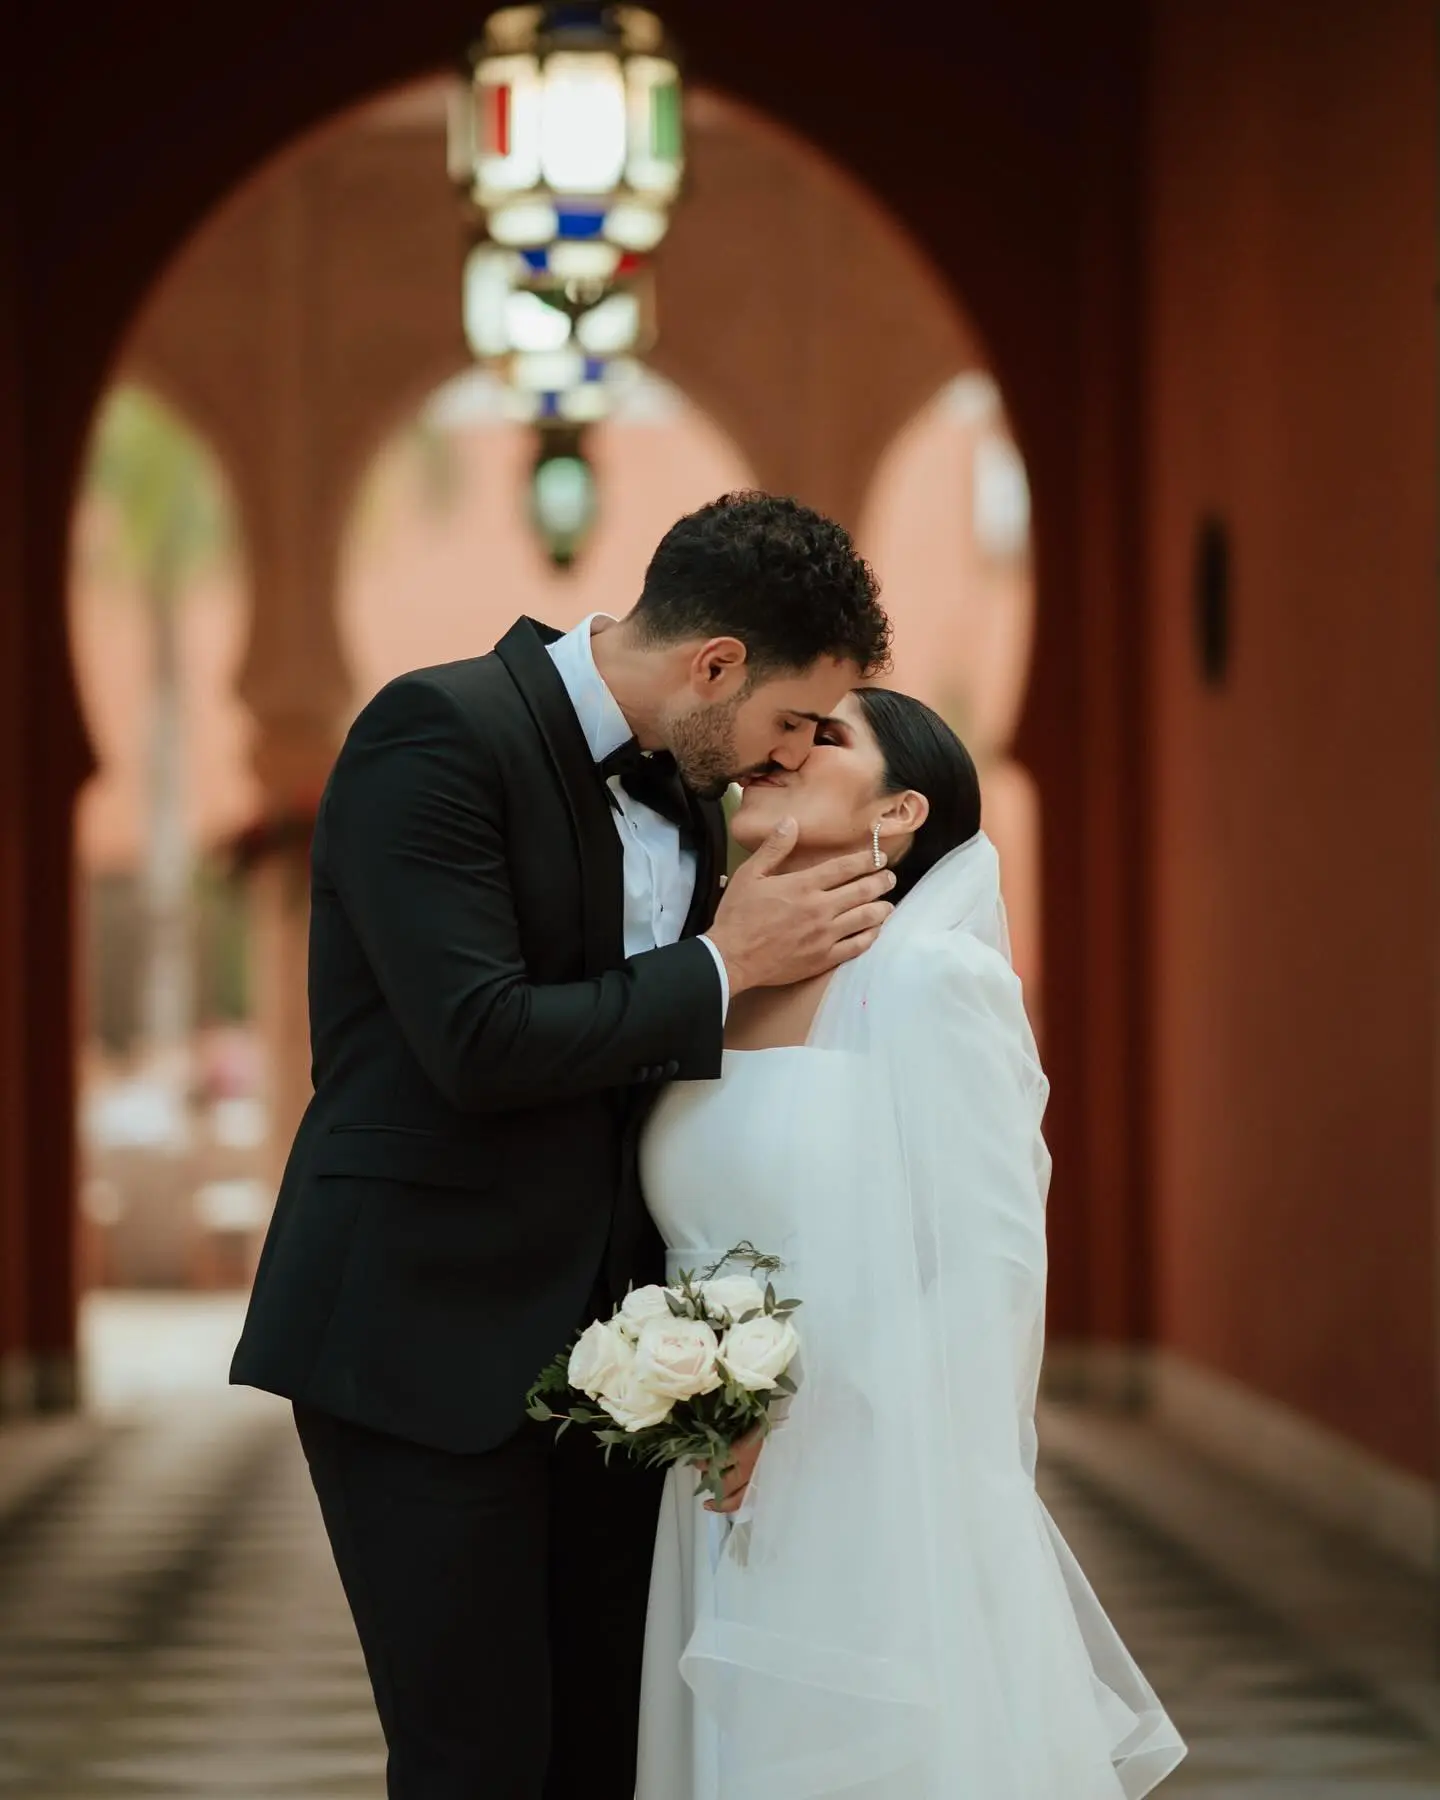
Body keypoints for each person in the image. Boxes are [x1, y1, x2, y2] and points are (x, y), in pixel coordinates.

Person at [229, 492, 897, 1800]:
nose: (790, 757)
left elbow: (657, 1091)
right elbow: (475, 1040)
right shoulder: (433, 735)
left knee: (609, 1753)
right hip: (418, 1342)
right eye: (790, 721)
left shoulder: (699, 798)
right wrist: (722, 964)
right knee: (476, 1763)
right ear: (714, 667)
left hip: (616, 1373)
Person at [638, 687, 1186, 1799]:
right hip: (707, 1482)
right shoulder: (711, 982)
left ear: (899, 814)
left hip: (866, 1481)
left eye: (823, 737)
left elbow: (988, 1280)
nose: (778, 748)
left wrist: (802, 1433)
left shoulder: (936, 982)